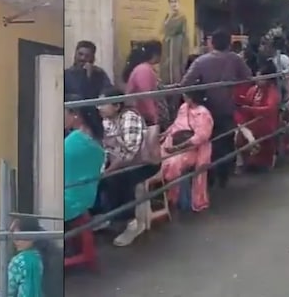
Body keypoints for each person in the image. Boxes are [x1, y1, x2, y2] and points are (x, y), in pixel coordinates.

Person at [178, 28, 252, 188]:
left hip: (206, 110)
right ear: (229, 44)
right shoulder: (235, 59)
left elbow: (185, 83)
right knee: (226, 142)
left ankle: (208, 177)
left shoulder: (201, 61)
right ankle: (224, 175)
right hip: (227, 108)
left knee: (207, 143)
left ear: (212, 43)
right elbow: (248, 76)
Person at [98, 87, 160, 247]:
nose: (99, 107)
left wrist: (109, 170)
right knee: (99, 179)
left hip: (143, 163)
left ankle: (131, 223)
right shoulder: (107, 120)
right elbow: (108, 148)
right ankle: (109, 215)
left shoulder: (129, 117)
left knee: (120, 178)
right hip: (119, 161)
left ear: (117, 106)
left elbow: (129, 152)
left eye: (103, 104)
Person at [160, 89, 213, 211]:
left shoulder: (203, 113)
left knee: (174, 163)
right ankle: (172, 197)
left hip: (194, 148)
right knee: (159, 158)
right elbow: (176, 125)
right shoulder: (183, 108)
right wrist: (165, 134)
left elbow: (201, 137)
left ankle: (180, 200)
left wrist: (178, 147)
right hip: (175, 141)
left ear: (191, 97)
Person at [63, 95, 105, 222]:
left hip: (68, 203)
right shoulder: (96, 141)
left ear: (75, 114)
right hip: (86, 200)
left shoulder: (73, 141)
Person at [234, 62, 282, 171]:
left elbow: (270, 109)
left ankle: (249, 147)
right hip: (253, 121)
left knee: (241, 127)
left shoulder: (272, 92)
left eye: (260, 77)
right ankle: (251, 144)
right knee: (238, 120)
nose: (257, 79)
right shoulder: (253, 90)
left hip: (265, 122)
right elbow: (246, 102)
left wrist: (249, 109)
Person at [123, 40, 168, 128]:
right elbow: (146, 95)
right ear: (156, 54)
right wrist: (154, 118)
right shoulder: (143, 70)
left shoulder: (148, 69)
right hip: (145, 119)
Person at [159, 0, 190, 84]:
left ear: (178, 2)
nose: (174, 4)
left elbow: (184, 33)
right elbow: (163, 30)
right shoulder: (167, 16)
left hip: (178, 45)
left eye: (175, 1)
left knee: (177, 70)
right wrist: (169, 17)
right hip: (168, 46)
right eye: (171, 2)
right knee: (167, 69)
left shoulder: (182, 16)